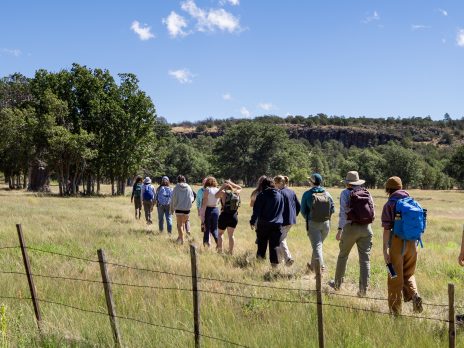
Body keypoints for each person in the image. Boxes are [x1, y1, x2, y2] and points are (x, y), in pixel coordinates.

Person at [381, 176, 423, 314]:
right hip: (412, 243)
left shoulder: (389, 205)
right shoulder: (412, 202)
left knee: (394, 278)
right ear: (401, 187)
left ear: (388, 189)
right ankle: (415, 294)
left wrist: (385, 250)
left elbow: (387, 229)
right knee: (409, 274)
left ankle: (395, 313)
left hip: (396, 244)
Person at [329, 171, 375, 297]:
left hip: (350, 228)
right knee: (365, 260)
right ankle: (363, 290)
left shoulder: (345, 193)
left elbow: (343, 214)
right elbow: (373, 212)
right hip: (366, 229)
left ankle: (337, 284)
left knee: (343, 256)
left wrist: (340, 230)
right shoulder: (367, 192)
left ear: (348, 182)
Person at [301, 173, 334, 272]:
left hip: (313, 223)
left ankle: (321, 266)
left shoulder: (307, 194)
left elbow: (303, 211)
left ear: (311, 182)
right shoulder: (327, 194)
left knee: (317, 246)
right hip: (326, 224)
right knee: (317, 246)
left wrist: (309, 218)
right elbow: (333, 209)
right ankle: (312, 267)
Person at [250, 176, 284, 266]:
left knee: (261, 246)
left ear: (263, 185)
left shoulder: (262, 195)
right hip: (277, 225)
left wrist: (252, 222)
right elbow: (282, 210)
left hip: (263, 225)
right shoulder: (280, 195)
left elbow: (256, 211)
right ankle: (274, 267)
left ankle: (259, 265)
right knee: (274, 247)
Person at [274, 175, 301, 266]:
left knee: (280, 239)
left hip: (282, 220)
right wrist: (293, 215)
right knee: (280, 239)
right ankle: (279, 261)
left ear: (278, 183)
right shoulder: (291, 192)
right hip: (291, 220)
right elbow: (298, 206)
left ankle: (288, 258)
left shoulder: (279, 193)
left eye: (275, 183)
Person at [215, 180, 242, 254]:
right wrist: (232, 184)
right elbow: (240, 187)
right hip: (233, 216)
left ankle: (220, 251)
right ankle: (231, 252)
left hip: (224, 215)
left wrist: (222, 187)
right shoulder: (236, 193)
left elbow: (215, 195)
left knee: (220, 234)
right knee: (231, 235)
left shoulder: (223, 193)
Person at [170, 175, 195, 244]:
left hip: (179, 209)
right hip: (187, 209)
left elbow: (173, 199)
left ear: (178, 180)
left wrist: (172, 208)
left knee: (179, 225)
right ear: (184, 180)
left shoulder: (176, 188)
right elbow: (192, 198)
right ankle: (180, 238)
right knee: (183, 224)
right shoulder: (189, 187)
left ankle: (182, 241)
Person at [202, 176, 220, 248]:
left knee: (206, 229)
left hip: (208, 210)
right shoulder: (218, 190)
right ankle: (219, 244)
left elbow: (204, 203)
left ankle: (206, 246)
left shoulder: (207, 189)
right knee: (214, 229)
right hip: (216, 210)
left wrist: (202, 213)